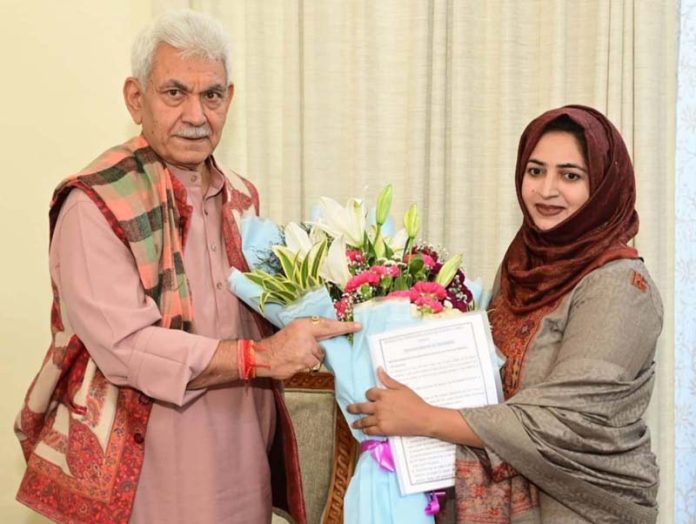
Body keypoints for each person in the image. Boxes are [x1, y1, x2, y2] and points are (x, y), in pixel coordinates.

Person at [14, 9, 359, 524]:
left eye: (212, 95)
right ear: (137, 99)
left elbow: (262, 309)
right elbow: (128, 349)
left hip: (243, 461)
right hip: (147, 471)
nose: (197, 114)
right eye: (175, 93)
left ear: (230, 99)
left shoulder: (241, 196)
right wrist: (259, 358)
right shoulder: (95, 203)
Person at [348, 105, 662, 523]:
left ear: (603, 187)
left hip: (582, 505)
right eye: (535, 171)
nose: (546, 190)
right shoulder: (523, 265)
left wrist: (426, 419)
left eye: (570, 175)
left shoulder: (621, 286)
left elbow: (566, 422)